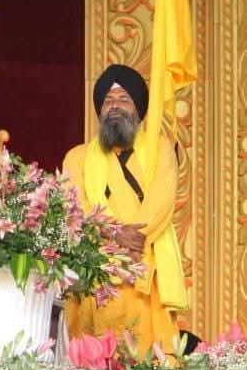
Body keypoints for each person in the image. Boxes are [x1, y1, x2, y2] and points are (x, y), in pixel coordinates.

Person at [63, 64, 180, 354]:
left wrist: (135, 240)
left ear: (138, 109)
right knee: (95, 363)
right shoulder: (77, 158)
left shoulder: (160, 149)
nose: (114, 106)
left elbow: (162, 198)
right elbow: (74, 205)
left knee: (150, 364)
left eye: (123, 99)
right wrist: (115, 234)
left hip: (144, 269)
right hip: (96, 276)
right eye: (108, 101)